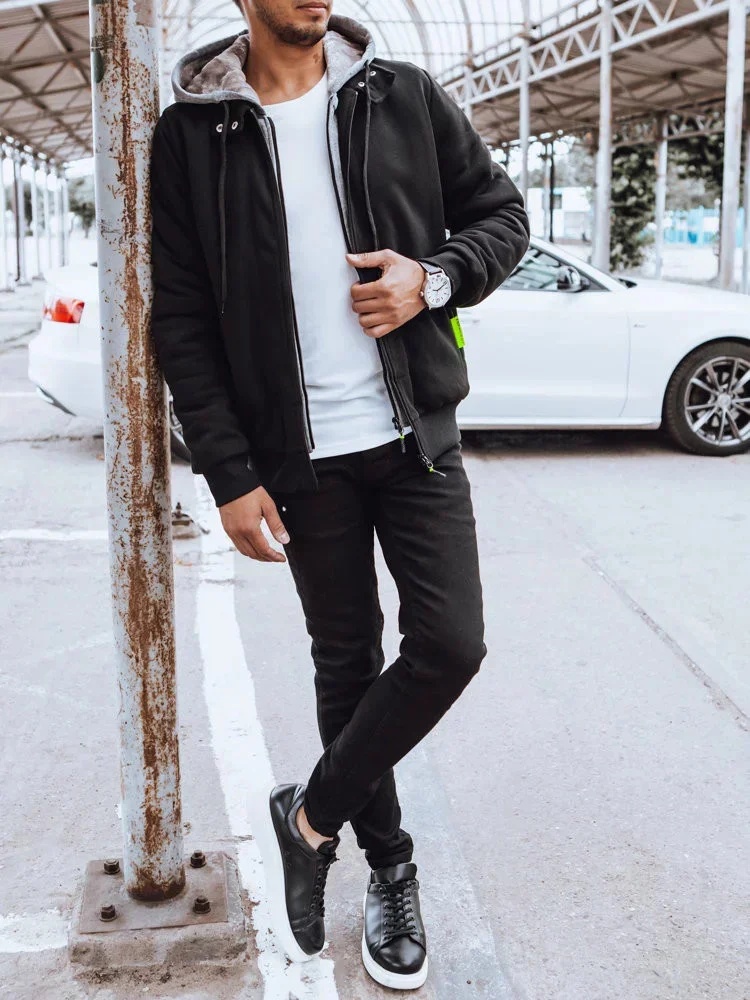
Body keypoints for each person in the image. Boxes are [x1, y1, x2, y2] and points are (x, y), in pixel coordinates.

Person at [150, 0, 529, 989]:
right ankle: (391, 867)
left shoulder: (399, 96)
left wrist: (431, 280)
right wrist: (229, 473)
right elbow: (181, 317)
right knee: (345, 661)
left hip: (413, 434)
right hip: (299, 458)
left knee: (451, 643)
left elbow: (503, 218)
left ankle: (311, 818)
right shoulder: (193, 133)